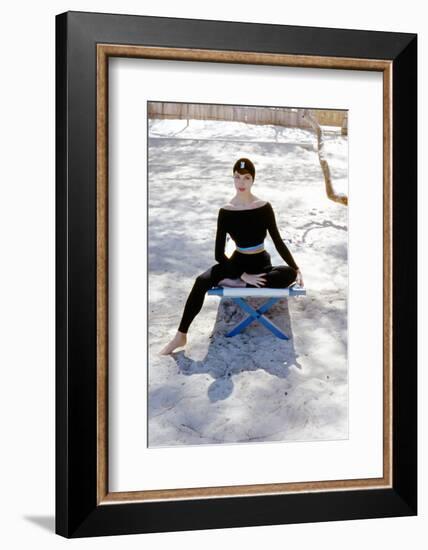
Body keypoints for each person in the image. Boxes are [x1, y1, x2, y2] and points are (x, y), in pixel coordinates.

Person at [159, 157, 304, 355]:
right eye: (237, 177)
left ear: (253, 180)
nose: (241, 182)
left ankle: (235, 282)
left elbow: (278, 241)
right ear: (233, 179)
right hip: (237, 264)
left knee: (288, 274)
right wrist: (243, 275)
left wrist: (295, 267)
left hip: (261, 264)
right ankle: (180, 335)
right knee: (201, 280)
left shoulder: (264, 207)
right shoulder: (226, 211)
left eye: (246, 177)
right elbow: (219, 254)